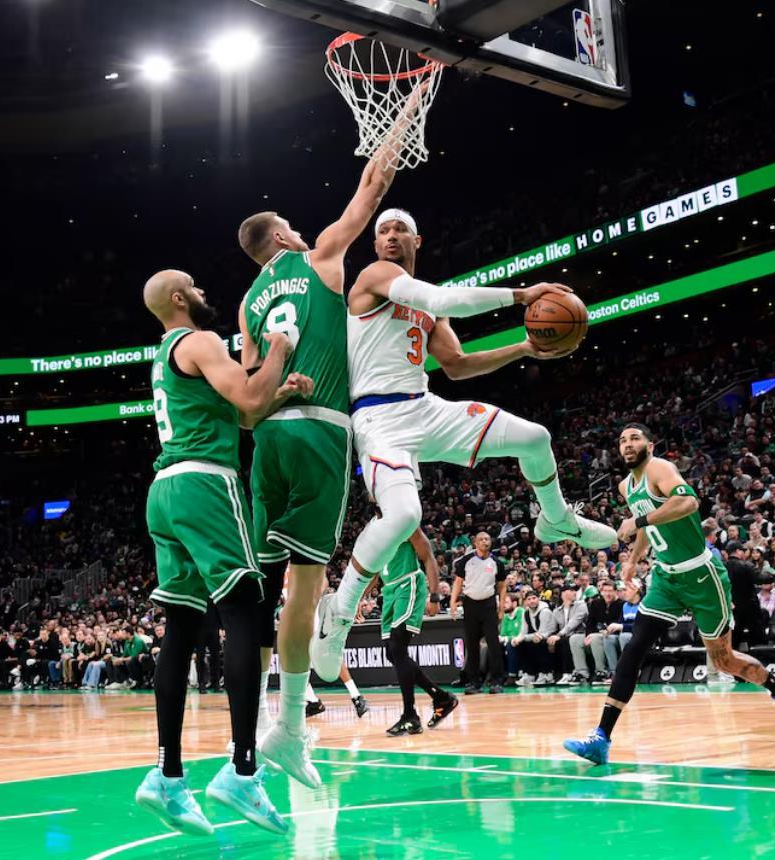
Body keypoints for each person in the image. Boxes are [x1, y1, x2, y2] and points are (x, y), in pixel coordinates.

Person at [310, 207, 617, 683]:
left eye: (400, 230)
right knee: (404, 515)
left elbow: (455, 364)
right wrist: (522, 295)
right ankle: (341, 611)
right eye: (383, 231)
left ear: (417, 240)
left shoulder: (427, 306)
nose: (390, 236)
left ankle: (557, 520)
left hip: (423, 407)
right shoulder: (375, 276)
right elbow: (439, 296)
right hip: (378, 417)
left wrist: (523, 349)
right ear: (375, 244)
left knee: (535, 438)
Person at [235, 102, 415, 788]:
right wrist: (404, 116)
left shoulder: (248, 305)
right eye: (290, 221)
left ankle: (250, 731)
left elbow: (247, 404)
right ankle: (287, 731)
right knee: (306, 590)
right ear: (282, 234)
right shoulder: (322, 257)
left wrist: (279, 389)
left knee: (261, 592)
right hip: (319, 432)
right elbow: (373, 184)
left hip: (268, 443)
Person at [134, 269, 311, 835]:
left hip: (164, 494)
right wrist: (278, 349)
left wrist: (280, 390)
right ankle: (242, 769)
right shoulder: (201, 340)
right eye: (195, 285)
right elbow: (250, 394)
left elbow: (245, 412)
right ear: (179, 298)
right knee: (244, 614)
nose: (204, 291)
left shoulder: (163, 357)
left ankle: (167, 774)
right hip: (206, 485)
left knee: (182, 628)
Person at [564, 424, 775, 766]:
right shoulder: (625, 486)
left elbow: (689, 502)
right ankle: (601, 737)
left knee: (723, 660)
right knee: (634, 647)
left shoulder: (659, 468)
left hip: (702, 575)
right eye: (622, 440)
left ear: (650, 444)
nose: (627, 444)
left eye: (635, 438)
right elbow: (647, 524)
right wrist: (633, 560)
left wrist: (639, 521)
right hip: (666, 578)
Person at [379, 527, 459, 735]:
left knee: (398, 646)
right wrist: (359, 598)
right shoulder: (373, 529)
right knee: (392, 653)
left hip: (408, 583)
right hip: (388, 590)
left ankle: (410, 715)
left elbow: (428, 557)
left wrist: (434, 596)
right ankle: (441, 697)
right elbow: (372, 569)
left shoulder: (404, 520)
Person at [449, 532, 507, 694]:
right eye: (481, 539)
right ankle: (474, 682)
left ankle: (497, 681)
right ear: (475, 542)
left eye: (487, 539)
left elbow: (502, 586)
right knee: (472, 644)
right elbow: (458, 582)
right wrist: (453, 602)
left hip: (489, 604)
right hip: (470, 604)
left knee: (493, 643)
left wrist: (501, 608)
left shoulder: (496, 562)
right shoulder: (466, 560)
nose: (485, 542)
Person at [571, 580, 621, 683]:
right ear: (601, 592)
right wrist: (589, 634)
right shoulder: (595, 603)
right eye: (605, 591)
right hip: (596, 634)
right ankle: (582, 672)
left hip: (612, 636)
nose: (607, 594)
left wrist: (601, 633)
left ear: (616, 592)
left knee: (595, 638)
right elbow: (590, 623)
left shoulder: (621, 604)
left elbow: (619, 624)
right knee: (574, 639)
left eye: (610, 591)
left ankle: (601, 672)